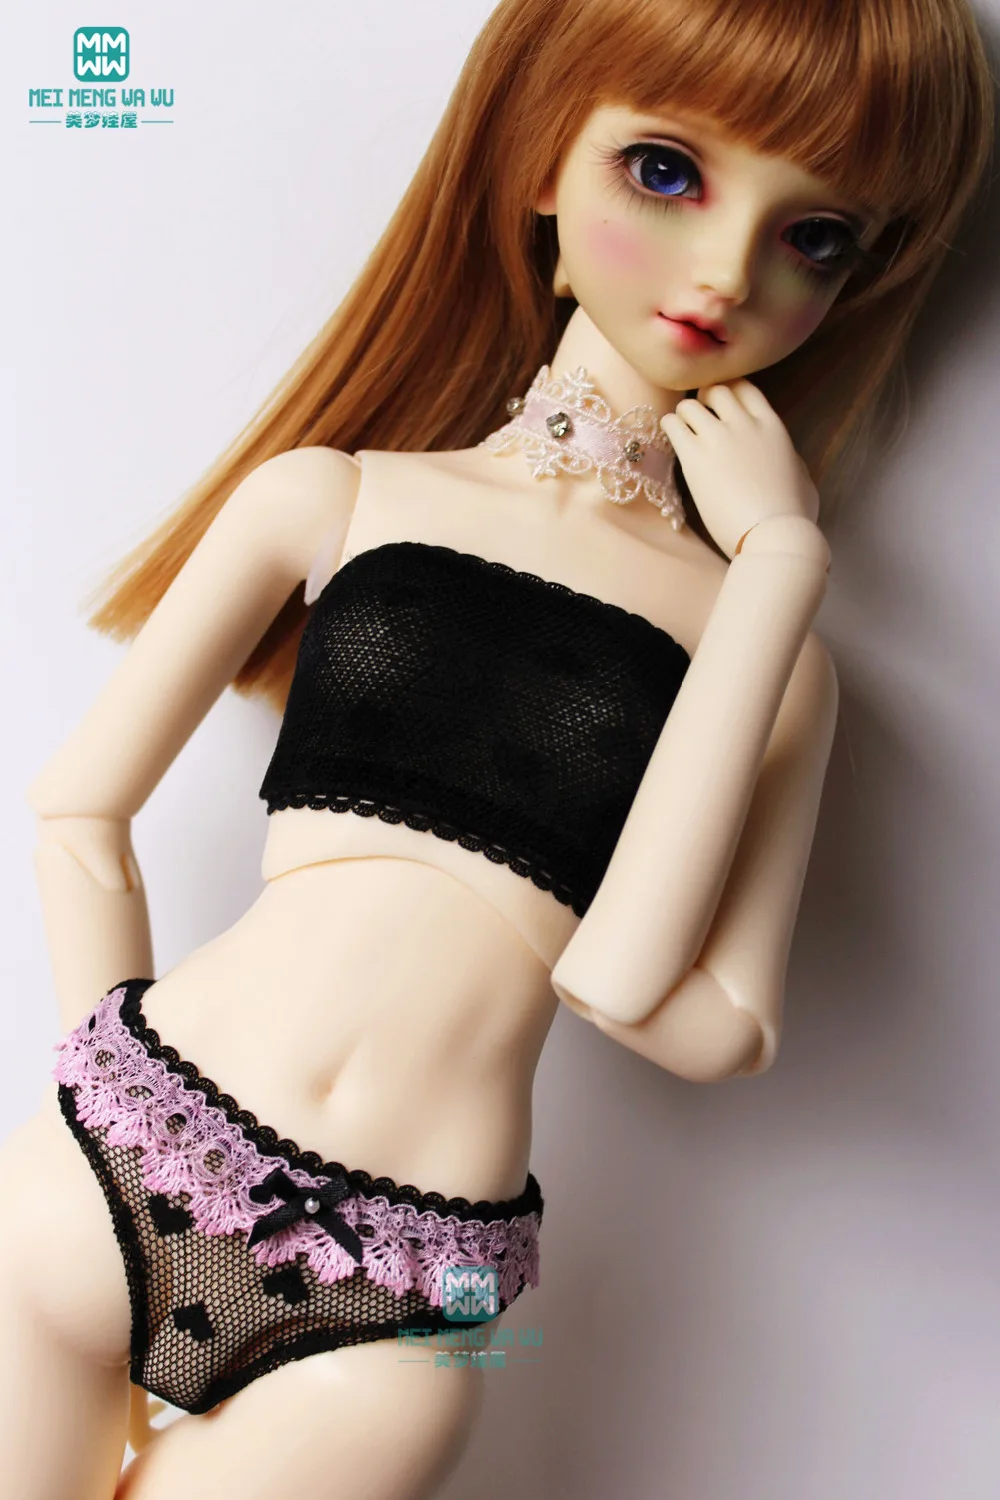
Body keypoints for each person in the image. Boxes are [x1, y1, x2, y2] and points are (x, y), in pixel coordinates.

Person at [1, 0, 993, 1495]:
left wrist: (778, 571)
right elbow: (79, 809)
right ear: (539, 161)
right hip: (117, 1152)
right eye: (666, 170)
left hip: (421, 1293)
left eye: (817, 236)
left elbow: (658, 999)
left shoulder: (772, 661)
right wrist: (112, 1102)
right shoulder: (335, 496)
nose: (728, 271)